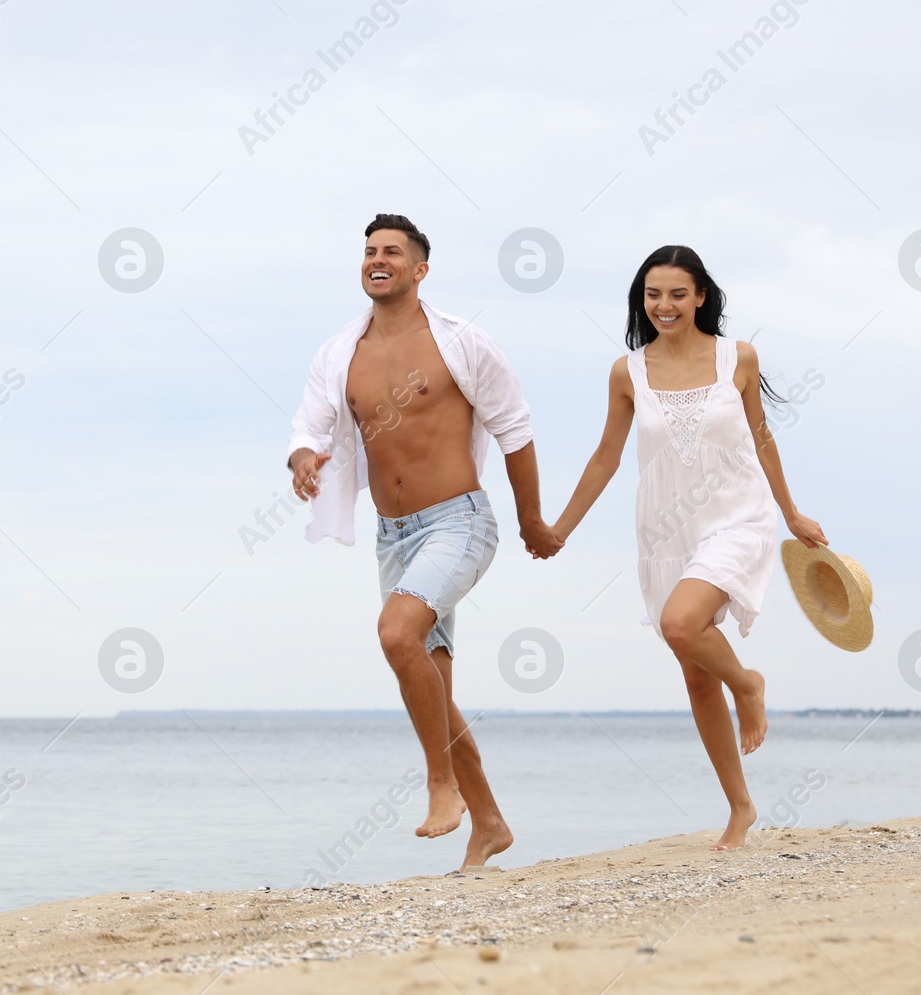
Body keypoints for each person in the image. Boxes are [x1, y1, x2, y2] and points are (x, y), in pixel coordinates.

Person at [287, 213, 563, 870]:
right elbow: (309, 423)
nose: (377, 259)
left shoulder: (462, 342)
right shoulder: (338, 354)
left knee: (395, 634)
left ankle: (442, 785)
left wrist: (531, 523)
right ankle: (490, 821)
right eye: (369, 251)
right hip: (395, 536)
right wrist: (301, 457)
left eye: (392, 252)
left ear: (419, 269)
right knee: (432, 682)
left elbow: (515, 430)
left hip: (458, 521)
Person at [550, 245, 826, 850]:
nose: (664, 305)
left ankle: (748, 685)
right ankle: (740, 808)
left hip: (737, 516)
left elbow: (762, 438)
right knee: (697, 678)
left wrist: (791, 513)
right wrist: (560, 528)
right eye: (653, 294)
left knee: (682, 624)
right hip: (665, 530)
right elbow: (605, 457)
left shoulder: (738, 356)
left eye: (677, 293)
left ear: (701, 295)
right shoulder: (629, 371)